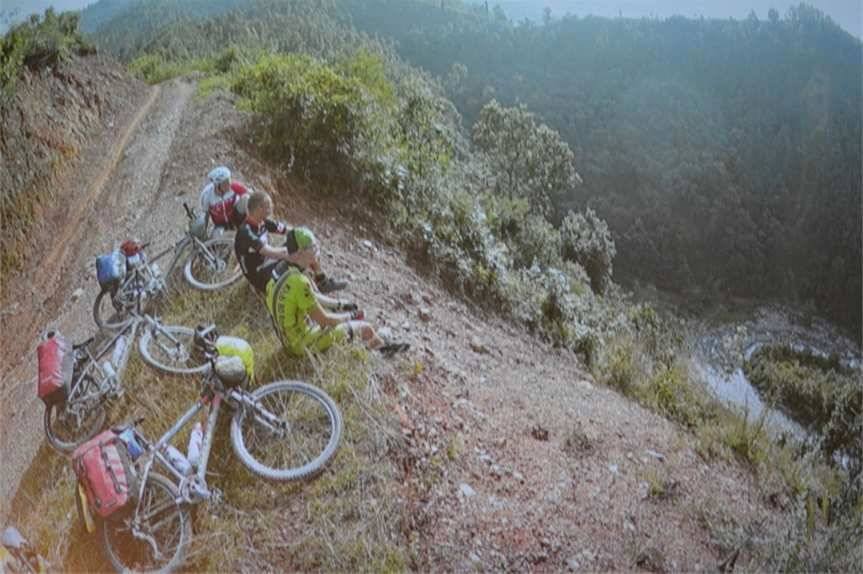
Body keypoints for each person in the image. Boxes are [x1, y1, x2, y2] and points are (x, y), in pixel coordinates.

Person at [236, 190, 408, 357]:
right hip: (301, 343)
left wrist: (340, 304)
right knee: (366, 328)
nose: (317, 252)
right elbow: (324, 320)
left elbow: (289, 232)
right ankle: (378, 353)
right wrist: (349, 316)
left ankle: (371, 340)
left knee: (315, 292)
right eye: (312, 249)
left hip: (291, 338)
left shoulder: (284, 273)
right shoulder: (298, 281)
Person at [199, 166, 249, 231]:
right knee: (218, 237)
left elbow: (250, 197)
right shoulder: (207, 195)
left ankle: (246, 225)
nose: (229, 184)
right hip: (220, 224)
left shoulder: (234, 186)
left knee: (246, 198)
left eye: (229, 180)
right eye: (226, 182)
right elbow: (206, 214)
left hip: (235, 216)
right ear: (217, 185)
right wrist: (204, 230)